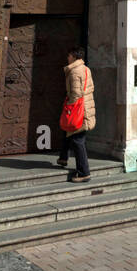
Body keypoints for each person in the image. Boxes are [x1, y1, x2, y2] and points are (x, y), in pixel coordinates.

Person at [57, 47, 95, 181]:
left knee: (78, 141)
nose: (67, 58)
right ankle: (63, 158)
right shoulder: (86, 69)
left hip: (79, 109)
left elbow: (76, 93)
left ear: (73, 56)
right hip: (87, 106)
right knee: (67, 129)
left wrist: (69, 107)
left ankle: (84, 172)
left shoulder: (74, 72)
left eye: (69, 55)